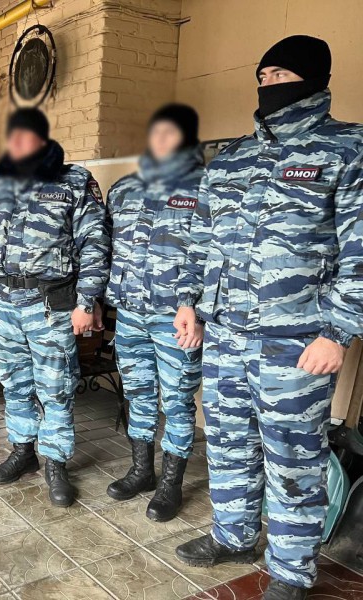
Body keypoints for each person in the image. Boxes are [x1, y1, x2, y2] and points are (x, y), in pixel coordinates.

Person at [173, 36, 363, 600]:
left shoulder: (348, 148)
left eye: (281, 74)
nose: (268, 85)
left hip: (297, 341)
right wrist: (189, 304)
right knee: (228, 443)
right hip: (224, 335)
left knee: (292, 459)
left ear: (313, 79)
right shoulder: (232, 157)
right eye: (263, 76)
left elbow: (360, 250)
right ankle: (233, 536)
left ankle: (290, 573)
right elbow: (202, 239)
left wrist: (339, 331)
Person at [0, 108, 111, 506]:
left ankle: (56, 462)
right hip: (2, 304)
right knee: (15, 383)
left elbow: (94, 243)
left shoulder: (74, 181)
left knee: (56, 388)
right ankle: (23, 450)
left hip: (50, 304)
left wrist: (87, 301)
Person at [104, 104, 205, 522]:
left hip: (176, 319)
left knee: (177, 401)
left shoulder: (206, 188)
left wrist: (199, 312)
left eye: (170, 132)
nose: (160, 139)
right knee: (138, 394)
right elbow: (107, 247)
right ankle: (142, 471)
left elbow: (215, 257)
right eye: (156, 131)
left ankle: (171, 485)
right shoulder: (124, 189)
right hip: (130, 315)